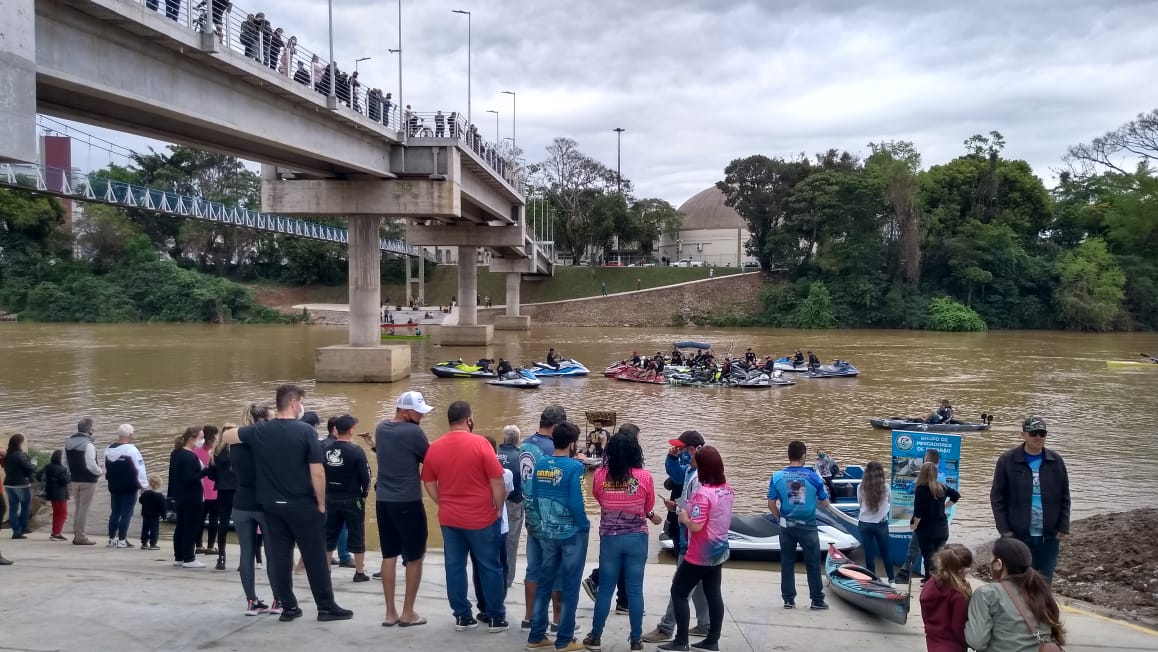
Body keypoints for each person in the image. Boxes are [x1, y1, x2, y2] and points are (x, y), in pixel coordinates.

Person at [222, 384, 353, 622]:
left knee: (281, 557)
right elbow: (318, 472)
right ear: (294, 403)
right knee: (314, 557)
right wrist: (321, 503)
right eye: (301, 401)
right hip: (302, 504)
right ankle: (325, 606)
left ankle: (289, 607)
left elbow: (228, 436)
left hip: (271, 506)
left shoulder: (260, 430)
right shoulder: (306, 432)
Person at [420, 400, 508, 632]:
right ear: (468, 419)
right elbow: (497, 480)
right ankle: (495, 617)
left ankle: (462, 616)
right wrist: (498, 508)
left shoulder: (435, 447)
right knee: (490, 566)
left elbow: (428, 480)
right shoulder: (480, 444)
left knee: (455, 566)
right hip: (481, 517)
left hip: (450, 518)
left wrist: (442, 501)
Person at [583, 429, 661, 652]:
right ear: (636, 452)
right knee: (635, 590)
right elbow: (647, 507)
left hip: (610, 538)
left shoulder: (600, 474)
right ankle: (636, 640)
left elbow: (599, 499)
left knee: (605, 588)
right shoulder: (644, 477)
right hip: (637, 538)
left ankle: (595, 636)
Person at [658, 446, 733, 652]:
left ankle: (681, 641)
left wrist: (683, 518)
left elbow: (696, 525)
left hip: (699, 553)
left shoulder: (703, 493)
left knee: (678, 592)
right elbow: (710, 513)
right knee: (713, 593)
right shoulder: (727, 489)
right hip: (719, 550)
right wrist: (681, 507)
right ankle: (712, 640)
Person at [524, 420, 588, 652]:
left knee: (544, 582)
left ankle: (536, 636)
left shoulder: (540, 463)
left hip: (547, 531)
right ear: (572, 443)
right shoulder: (575, 468)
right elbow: (577, 502)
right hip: (571, 533)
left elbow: (533, 496)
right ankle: (564, 640)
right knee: (570, 587)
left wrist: (545, 521)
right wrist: (584, 525)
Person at [643, 431, 710, 643]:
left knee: (680, 585)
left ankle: (666, 628)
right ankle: (705, 624)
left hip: (692, 539)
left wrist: (681, 510)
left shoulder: (698, 475)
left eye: (681, 449)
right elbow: (695, 503)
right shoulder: (695, 471)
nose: (678, 451)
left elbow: (698, 510)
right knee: (699, 583)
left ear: (692, 450)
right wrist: (678, 506)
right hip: (698, 537)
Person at [375, 391, 432, 627]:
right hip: (408, 501)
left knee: (389, 555)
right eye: (418, 411)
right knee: (415, 557)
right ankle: (408, 612)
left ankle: (390, 613)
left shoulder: (381, 428)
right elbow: (429, 457)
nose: (421, 415)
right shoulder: (413, 432)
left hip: (383, 501)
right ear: (406, 411)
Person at [990, 416, 1070, 582]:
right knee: (1016, 582)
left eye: (1042, 433)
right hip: (1017, 535)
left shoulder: (1056, 461)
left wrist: (1063, 526)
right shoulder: (1007, 460)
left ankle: (1040, 609)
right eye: (1033, 433)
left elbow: (1065, 495)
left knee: (1043, 583)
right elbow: (997, 497)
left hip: (1048, 537)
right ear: (1023, 434)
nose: (1038, 437)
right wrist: (1004, 530)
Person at [965, 537, 1065, 652]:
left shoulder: (986, 594)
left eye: (991, 557)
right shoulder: (1040, 590)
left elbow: (977, 642)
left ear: (998, 564)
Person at [767, 440, 831, 610]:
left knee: (787, 563)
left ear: (789, 456)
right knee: (813, 563)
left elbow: (771, 503)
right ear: (803, 456)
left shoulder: (776, 476)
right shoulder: (813, 477)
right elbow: (825, 503)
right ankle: (817, 600)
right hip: (808, 525)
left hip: (787, 525)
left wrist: (779, 517)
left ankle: (788, 599)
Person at [519, 405, 567, 630]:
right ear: (556, 426)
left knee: (533, 567)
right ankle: (557, 620)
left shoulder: (526, 444)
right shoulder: (552, 448)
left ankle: (529, 617)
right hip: (549, 518)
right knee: (556, 569)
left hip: (530, 513)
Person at [232, 403, 274, 616]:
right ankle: (279, 600)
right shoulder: (267, 444)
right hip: (264, 502)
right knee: (273, 552)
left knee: (246, 553)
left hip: (241, 501)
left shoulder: (235, 443)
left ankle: (251, 601)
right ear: (264, 421)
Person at [471, 436, 515, 621]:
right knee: (500, 567)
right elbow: (506, 495)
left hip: (474, 524)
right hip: (499, 525)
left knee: (479, 567)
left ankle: (483, 607)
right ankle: (497, 605)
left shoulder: (471, 472)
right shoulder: (505, 473)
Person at [323, 414, 371, 583]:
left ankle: (326, 570)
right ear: (351, 430)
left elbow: (318, 473)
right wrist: (364, 494)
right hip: (352, 498)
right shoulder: (356, 451)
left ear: (336, 430)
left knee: (329, 534)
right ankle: (359, 572)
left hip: (330, 497)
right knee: (357, 533)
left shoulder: (325, 449)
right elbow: (366, 476)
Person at [896, 448, 942, 583]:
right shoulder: (941, 478)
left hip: (923, 520)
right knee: (934, 552)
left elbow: (910, 489)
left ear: (927, 459)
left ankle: (905, 574)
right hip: (939, 521)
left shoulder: (924, 477)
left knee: (914, 547)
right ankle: (933, 577)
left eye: (925, 457)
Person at [911, 462, 961, 583]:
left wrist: (915, 525)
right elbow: (956, 495)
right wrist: (945, 506)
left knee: (928, 557)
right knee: (939, 558)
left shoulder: (920, 489)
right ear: (936, 474)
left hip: (927, 529)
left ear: (922, 473)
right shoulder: (942, 487)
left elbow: (918, 512)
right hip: (942, 529)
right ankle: (938, 579)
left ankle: (930, 582)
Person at [921, 544, 973, 652]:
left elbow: (925, 617)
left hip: (933, 642)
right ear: (962, 570)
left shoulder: (929, 585)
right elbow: (958, 628)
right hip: (953, 646)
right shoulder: (958, 595)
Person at [104, 424, 148, 548]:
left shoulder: (108, 449)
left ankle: (111, 539)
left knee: (115, 512)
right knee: (126, 513)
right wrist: (143, 485)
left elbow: (105, 468)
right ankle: (122, 540)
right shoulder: (132, 450)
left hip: (114, 485)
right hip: (129, 487)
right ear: (130, 435)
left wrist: (108, 479)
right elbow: (139, 469)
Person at [169, 427, 207, 568]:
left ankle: (179, 556)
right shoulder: (190, 456)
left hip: (180, 496)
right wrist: (205, 472)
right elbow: (190, 478)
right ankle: (189, 558)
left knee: (181, 527)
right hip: (192, 497)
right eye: (201, 437)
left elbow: (173, 476)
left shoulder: (176, 453)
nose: (202, 440)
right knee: (191, 528)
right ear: (192, 438)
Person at [65, 418, 103, 545]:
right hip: (88, 480)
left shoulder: (68, 443)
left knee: (78, 508)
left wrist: (71, 474)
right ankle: (81, 537)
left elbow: (64, 463)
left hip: (74, 480)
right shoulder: (88, 445)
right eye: (93, 428)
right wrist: (100, 471)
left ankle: (77, 534)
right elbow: (91, 464)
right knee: (84, 509)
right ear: (89, 430)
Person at [857, 461, 895, 586]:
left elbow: (860, 504)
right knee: (886, 552)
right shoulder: (886, 487)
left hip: (865, 523)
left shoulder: (860, 487)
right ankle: (891, 580)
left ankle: (872, 579)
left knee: (869, 552)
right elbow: (889, 502)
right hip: (881, 524)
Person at [496, 425, 523, 588]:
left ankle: (492, 573)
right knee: (511, 542)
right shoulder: (520, 456)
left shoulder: (492, 454)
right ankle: (507, 578)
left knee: (493, 538)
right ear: (517, 440)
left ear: (504, 438)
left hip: (493, 501)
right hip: (514, 502)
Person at [209, 427, 239, 571]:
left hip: (223, 491)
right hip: (238, 491)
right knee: (242, 524)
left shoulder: (216, 452)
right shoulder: (238, 451)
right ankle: (244, 559)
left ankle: (221, 557)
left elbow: (211, 474)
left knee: (223, 523)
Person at [4, 434, 36, 539]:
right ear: (19, 443)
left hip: (9, 484)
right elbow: (30, 469)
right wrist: (34, 464)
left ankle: (16, 531)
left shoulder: (7, 455)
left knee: (13, 508)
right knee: (25, 507)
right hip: (21, 484)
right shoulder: (20, 455)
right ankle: (24, 527)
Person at [194, 426, 220, 556]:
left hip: (200, 490)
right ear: (215, 436)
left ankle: (198, 545)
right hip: (214, 490)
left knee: (200, 519)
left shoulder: (195, 451)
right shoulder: (216, 452)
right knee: (214, 519)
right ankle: (210, 546)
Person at [40, 450, 70, 541]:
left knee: (56, 513)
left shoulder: (47, 466)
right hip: (60, 494)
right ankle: (56, 534)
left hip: (50, 493)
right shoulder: (62, 469)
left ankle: (55, 532)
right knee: (62, 514)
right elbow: (65, 481)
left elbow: (38, 476)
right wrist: (70, 475)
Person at [138, 476, 165, 551]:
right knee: (154, 529)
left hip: (145, 514)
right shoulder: (160, 496)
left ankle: (144, 543)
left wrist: (141, 494)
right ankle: (153, 544)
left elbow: (140, 501)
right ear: (159, 485)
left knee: (145, 528)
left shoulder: (146, 493)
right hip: (155, 516)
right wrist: (164, 516)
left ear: (150, 484)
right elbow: (163, 507)